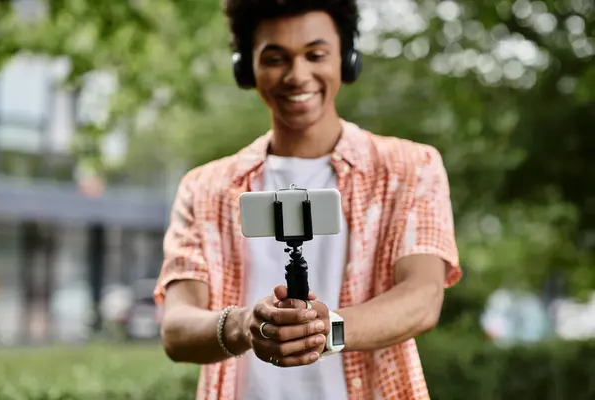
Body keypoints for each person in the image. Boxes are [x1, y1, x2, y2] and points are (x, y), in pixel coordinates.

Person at [154, 0, 463, 399]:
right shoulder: (204, 187)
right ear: (246, 67)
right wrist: (245, 324)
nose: (297, 75)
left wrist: (326, 330)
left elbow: (422, 298)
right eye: (275, 58)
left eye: (316, 55)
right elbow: (176, 327)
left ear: (347, 59)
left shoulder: (410, 169)